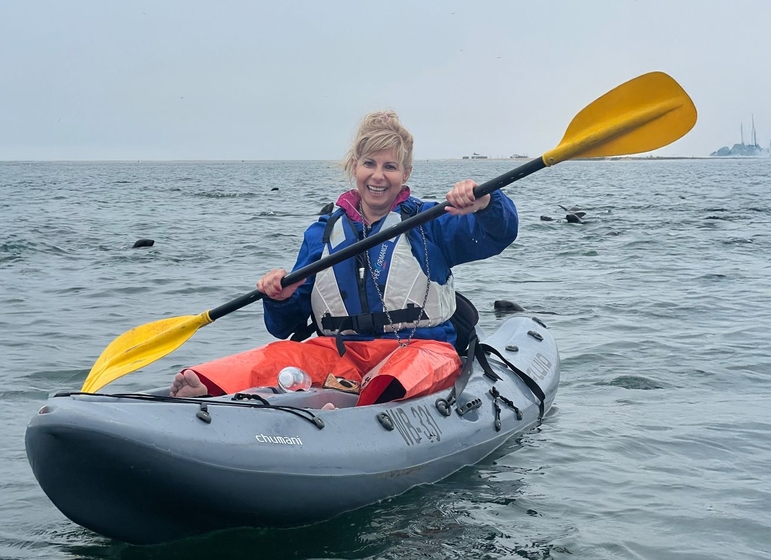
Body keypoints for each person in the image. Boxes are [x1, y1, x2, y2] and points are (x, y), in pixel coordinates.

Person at [171, 110, 518, 406]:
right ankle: (207, 386)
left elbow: (498, 234)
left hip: (420, 348)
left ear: (406, 173)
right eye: (369, 164)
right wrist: (279, 298)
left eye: (390, 166)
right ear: (355, 167)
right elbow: (283, 327)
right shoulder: (322, 234)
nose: (378, 175)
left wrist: (487, 203)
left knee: (396, 376)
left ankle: (356, 411)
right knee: (277, 355)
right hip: (339, 353)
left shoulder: (432, 222)